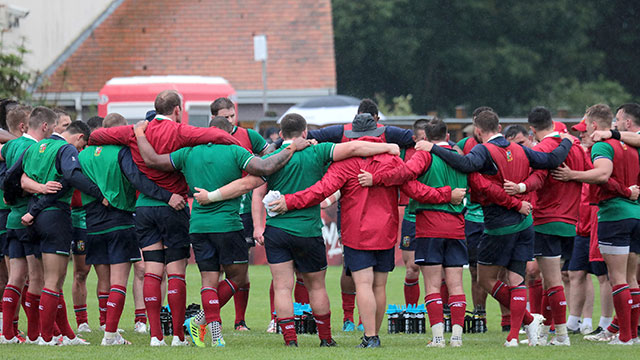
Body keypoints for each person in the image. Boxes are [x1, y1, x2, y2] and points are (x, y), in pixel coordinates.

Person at [268, 115, 465, 348]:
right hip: (387, 229)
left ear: (353, 137)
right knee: (379, 286)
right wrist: (446, 194)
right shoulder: (393, 160)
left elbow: (320, 191)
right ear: (378, 134)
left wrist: (289, 201)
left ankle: (370, 336)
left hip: (356, 231)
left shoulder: (345, 163)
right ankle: (375, 335)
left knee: (363, 284)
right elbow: (414, 188)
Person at [132, 115, 313, 347]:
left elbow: (153, 160)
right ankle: (201, 321)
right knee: (237, 276)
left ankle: (215, 335)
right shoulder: (234, 151)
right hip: (227, 225)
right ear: (228, 133)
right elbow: (266, 166)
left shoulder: (188, 152)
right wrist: (290, 149)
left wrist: (139, 134)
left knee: (208, 281)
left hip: (197, 225)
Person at [88, 90, 239, 346]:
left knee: (152, 273)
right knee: (176, 273)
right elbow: (214, 134)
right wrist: (237, 143)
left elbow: (96, 135)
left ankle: (156, 337)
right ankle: (178, 337)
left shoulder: (136, 131)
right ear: (177, 110)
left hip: (144, 208)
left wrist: (134, 131)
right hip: (174, 206)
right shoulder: (181, 131)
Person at [415, 109, 574, 346]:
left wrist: (434, 148)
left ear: (477, 131)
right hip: (526, 223)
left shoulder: (482, 150)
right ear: (499, 128)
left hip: (499, 225)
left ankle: (528, 321)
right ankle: (523, 333)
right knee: (516, 278)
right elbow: (550, 161)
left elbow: (466, 164)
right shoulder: (519, 149)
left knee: (486, 279)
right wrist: (566, 142)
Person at [358, 117, 470, 347]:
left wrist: (376, 178)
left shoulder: (424, 155)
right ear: (447, 137)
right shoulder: (459, 158)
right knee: (456, 284)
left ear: (425, 139)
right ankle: (457, 337)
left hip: (430, 224)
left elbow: (404, 178)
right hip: (457, 226)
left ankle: (438, 337)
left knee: (431, 284)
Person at [75, 113, 184, 345]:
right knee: (119, 282)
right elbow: (136, 179)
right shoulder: (121, 152)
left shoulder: (83, 155)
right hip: (120, 221)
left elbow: (73, 179)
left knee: (102, 281)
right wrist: (166, 196)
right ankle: (110, 334)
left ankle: (104, 324)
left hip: (92, 224)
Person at [552, 104, 640, 345]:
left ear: (593, 126)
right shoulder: (632, 146)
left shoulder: (602, 145)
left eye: (584, 128)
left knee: (617, 278)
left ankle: (624, 337)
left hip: (614, 214)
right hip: (636, 214)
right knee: (631, 279)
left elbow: (602, 175)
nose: (582, 133)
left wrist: (572, 175)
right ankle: (631, 334)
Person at [503, 107, 590, 345]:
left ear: (531, 129)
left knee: (552, 281)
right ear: (552, 123)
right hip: (571, 220)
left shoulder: (542, 148)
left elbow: (538, 178)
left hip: (547, 219)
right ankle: (546, 331)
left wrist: (520, 187)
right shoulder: (573, 145)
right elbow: (586, 172)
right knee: (557, 278)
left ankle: (561, 334)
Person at [17, 120, 105, 346]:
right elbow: (72, 176)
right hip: (54, 217)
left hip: (31, 217)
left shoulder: (36, 146)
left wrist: (16, 196)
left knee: (39, 280)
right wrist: (98, 193)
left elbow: (14, 176)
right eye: (81, 147)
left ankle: (58, 334)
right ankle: (48, 338)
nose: (79, 152)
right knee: (53, 282)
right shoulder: (65, 149)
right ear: (78, 138)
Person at [210, 97, 273, 331]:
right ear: (214, 117)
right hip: (214, 209)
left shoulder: (248, 136)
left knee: (240, 268)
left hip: (242, 210)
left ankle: (239, 321)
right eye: (224, 117)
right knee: (213, 270)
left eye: (231, 116)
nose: (229, 121)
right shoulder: (205, 137)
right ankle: (206, 316)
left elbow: (270, 155)